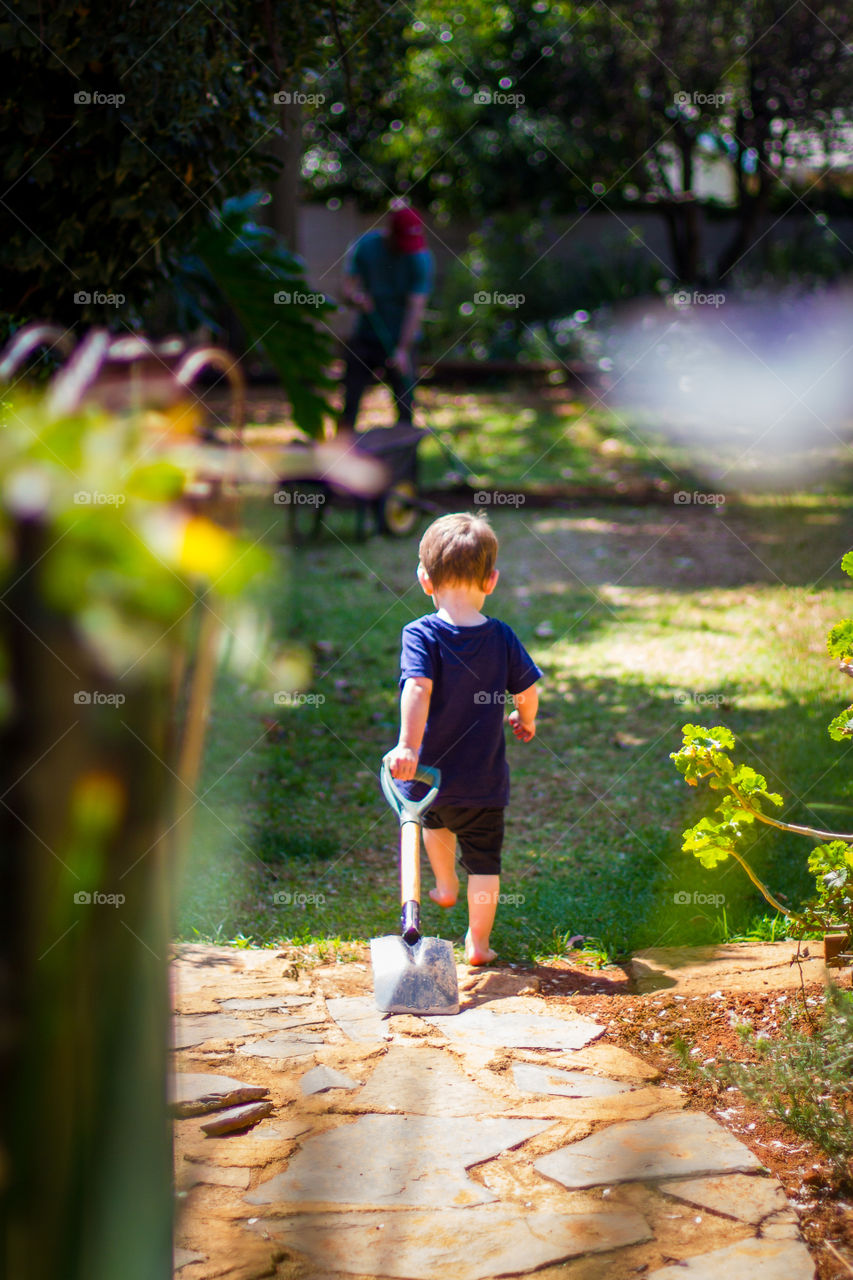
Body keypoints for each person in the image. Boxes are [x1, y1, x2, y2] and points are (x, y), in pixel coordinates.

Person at [386, 512, 542, 965]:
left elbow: (418, 686)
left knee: (433, 826)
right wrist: (525, 718)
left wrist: (409, 747)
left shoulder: (420, 633)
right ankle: (478, 942)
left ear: (424, 579)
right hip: (484, 782)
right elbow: (527, 690)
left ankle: (444, 887)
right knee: (485, 863)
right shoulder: (502, 636)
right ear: (491, 581)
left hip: (428, 776)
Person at [339, 205, 434, 431]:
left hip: (402, 337)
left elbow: (416, 309)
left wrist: (402, 349)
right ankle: (340, 458)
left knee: (405, 405)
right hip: (367, 334)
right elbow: (346, 289)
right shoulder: (365, 246)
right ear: (390, 232)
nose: (405, 250)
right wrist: (356, 298)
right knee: (350, 400)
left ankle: (406, 461)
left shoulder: (420, 259)